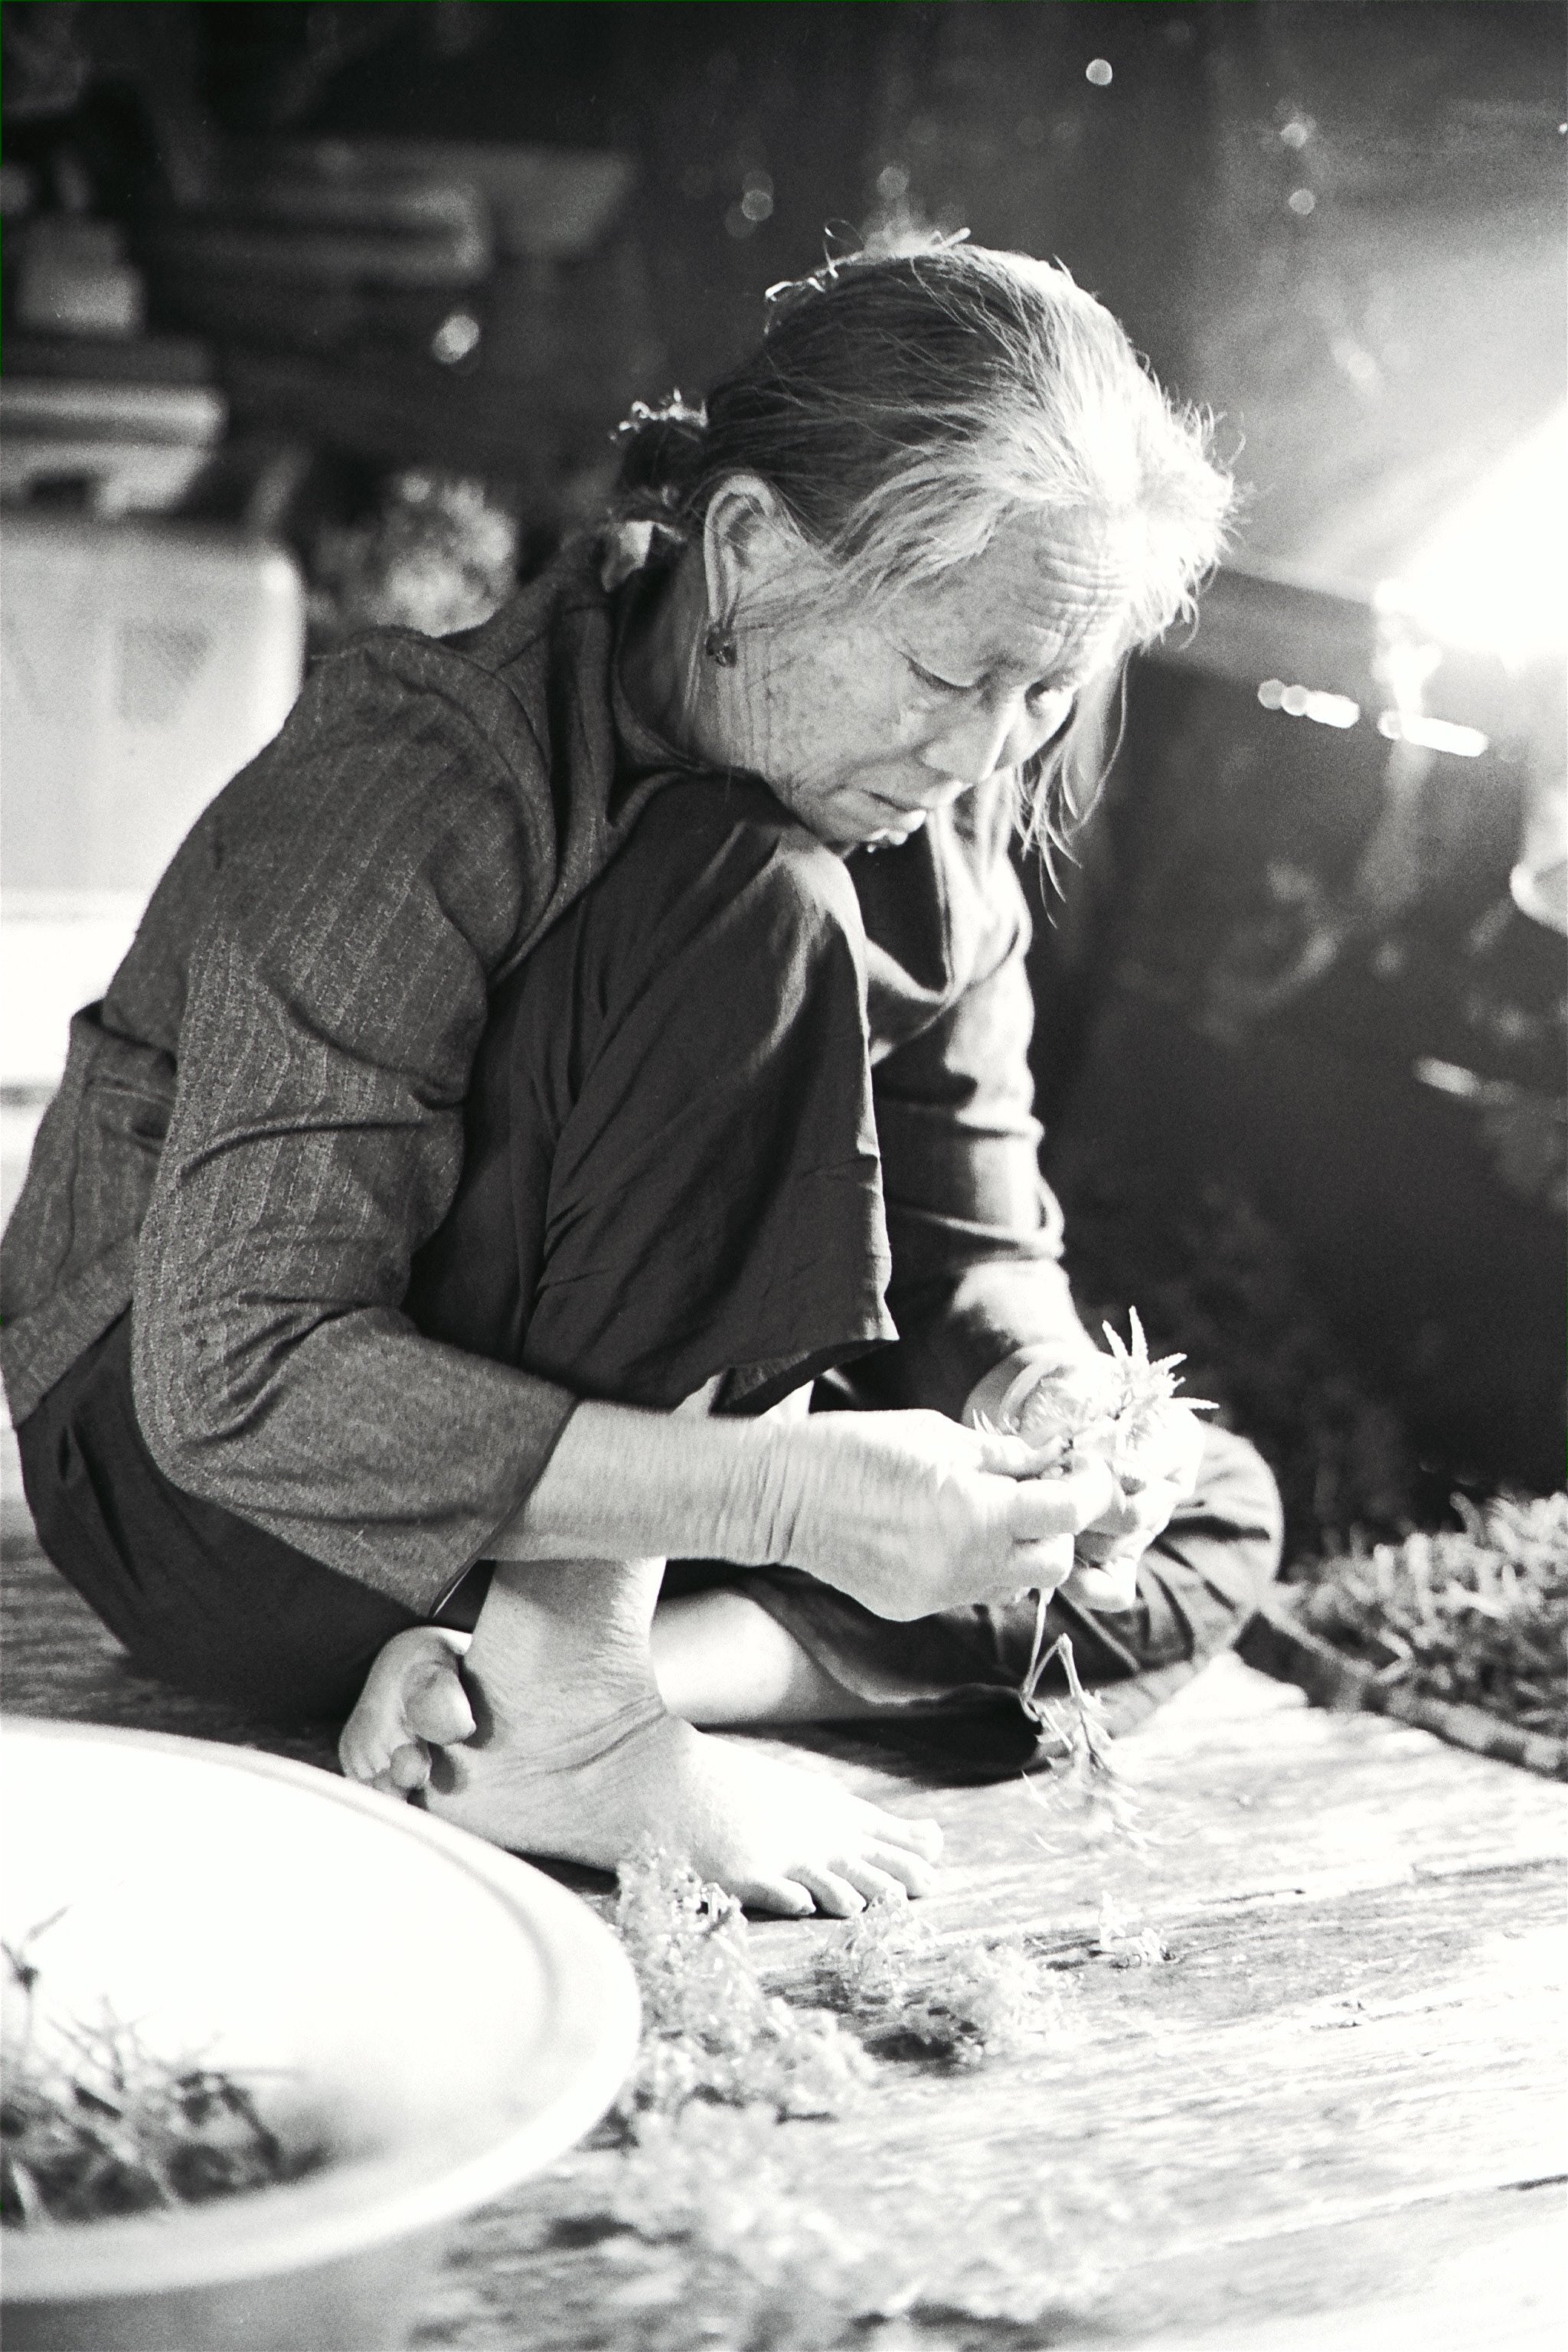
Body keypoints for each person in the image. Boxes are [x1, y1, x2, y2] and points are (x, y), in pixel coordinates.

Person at [2, 240, 1282, 1918]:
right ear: (749, 550)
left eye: (1044, 692)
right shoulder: (420, 779)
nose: (984, 754)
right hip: (218, 1505)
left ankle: (566, 1691)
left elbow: (980, 1255)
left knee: (1208, 1509)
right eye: (948, 673)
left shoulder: (928, 807)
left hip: (582, 1500)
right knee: (744, 891)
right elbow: (241, 1381)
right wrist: (781, 1491)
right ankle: (571, 1690)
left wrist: (1043, 1401)